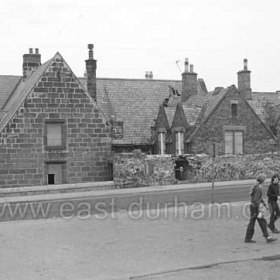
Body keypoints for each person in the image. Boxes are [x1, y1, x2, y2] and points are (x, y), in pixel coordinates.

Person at [244, 174, 277, 243]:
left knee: (253, 223)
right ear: (263, 181)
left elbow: (259, 198)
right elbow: (256, 200)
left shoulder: (256, 187)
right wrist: (259, 211)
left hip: (253, 207)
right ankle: (267, 237)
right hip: (255, 208)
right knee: (262, 222)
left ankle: (248, 238)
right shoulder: (258, 188)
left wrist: (265, 205)